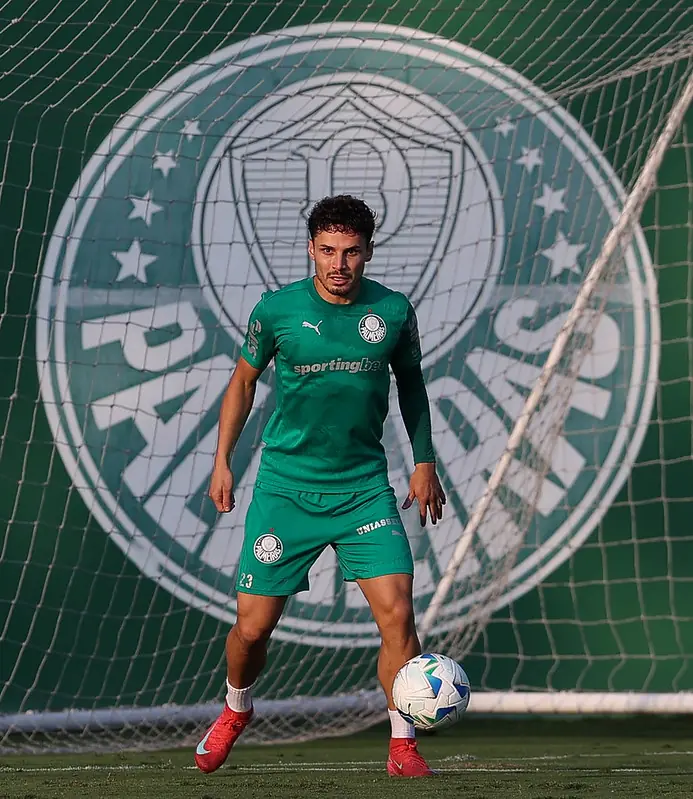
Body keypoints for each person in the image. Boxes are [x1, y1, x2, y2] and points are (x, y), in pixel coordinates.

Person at [195, 194, 446, 778]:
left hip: (363, 489)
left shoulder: (393, 311)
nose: (339, 264)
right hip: (286, 489)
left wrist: (424, 461)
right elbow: (242, 383)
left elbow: (412, 385)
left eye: (351, 252)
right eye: (328, 251)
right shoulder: (276, 311)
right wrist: (222, 459)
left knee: (399, 615)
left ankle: (403, 744)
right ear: (311, 249)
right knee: (252, 629)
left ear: (368, 252)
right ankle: (236, 707)